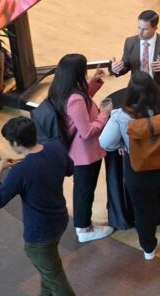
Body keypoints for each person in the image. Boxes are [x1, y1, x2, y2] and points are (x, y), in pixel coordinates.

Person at [99, 71, 160, 260]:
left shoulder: (121, 116)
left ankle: (148, 249)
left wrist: (124, 146)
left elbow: (104, 142)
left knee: (143, 210)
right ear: (155, 89)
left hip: (138, 171)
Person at [0, 119, 74, 295]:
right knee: (48, 271)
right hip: (60, 220)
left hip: (40, 234)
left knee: (55, 277)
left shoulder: (21, 171)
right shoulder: (55, 147)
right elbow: (69, 169)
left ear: (16, 143)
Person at [43, 54, 113, 243]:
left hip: (74, 151)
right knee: (84, 190)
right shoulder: (75, 99)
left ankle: (84, 225)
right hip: (85, 154)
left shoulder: (61, 90)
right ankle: (84, 229)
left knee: (82, 188)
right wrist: (104, 115)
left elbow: (78, 111)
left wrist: (93, 84)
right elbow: (87, 131)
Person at [110, 9, 160, 100]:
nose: (140, 32)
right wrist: (116, 69)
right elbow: (126, 65)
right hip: (138, 89)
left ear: (155, 28)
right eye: (139, 27)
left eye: (144, 29)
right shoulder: (130, 42)